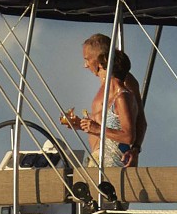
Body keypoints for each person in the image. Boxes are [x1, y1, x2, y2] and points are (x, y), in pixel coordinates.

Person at [61, 34, 147, 169]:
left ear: (101, 60)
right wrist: (80, 124)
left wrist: (136, 148)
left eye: (87, 59)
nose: (85, 65)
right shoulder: (104, 83)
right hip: (97, 156)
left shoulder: (124, 82)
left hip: (114, 159)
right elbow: (104, 119)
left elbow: (139, 119)